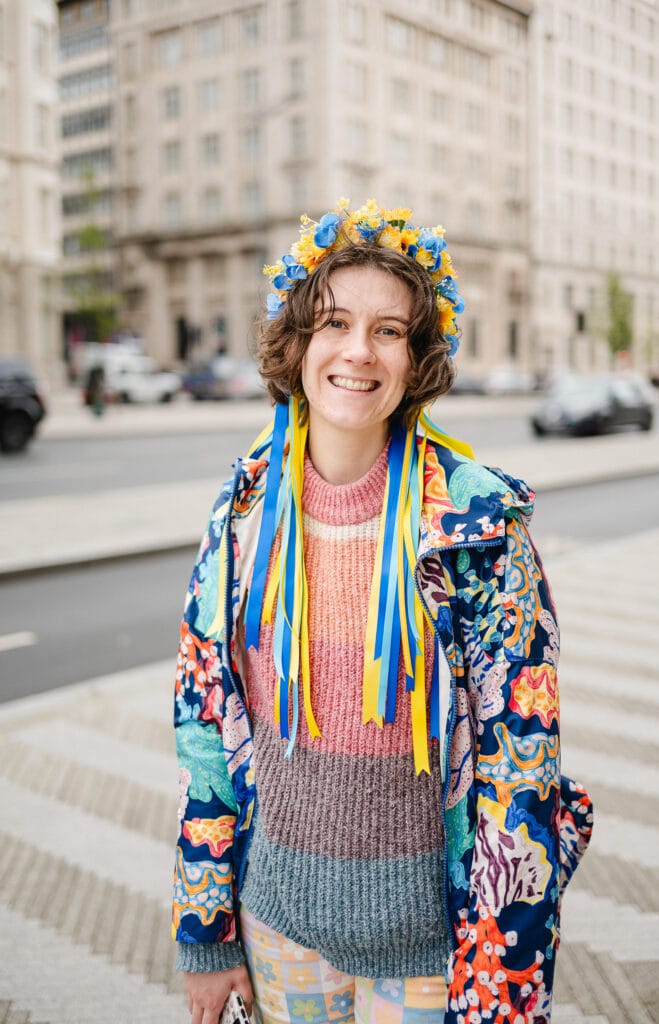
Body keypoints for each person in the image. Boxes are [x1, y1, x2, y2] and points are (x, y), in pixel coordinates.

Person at [172, 199, 592, 1024]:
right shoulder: (243, 516)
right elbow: (202, 729)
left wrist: (501, 988)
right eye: (332, 322)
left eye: (389, 331)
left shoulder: (475, 526)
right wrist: (206, 934)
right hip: (276, 928)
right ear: (295, 344)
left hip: (437, 949)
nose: (357, 352)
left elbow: (520, 764)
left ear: (417, 355)